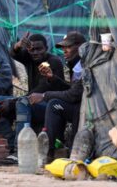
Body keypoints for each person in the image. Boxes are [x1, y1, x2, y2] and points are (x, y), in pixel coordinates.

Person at [29, 31, 86, 161]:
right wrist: (52, 78)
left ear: (81, 47)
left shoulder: (84, 65)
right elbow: (73, 89)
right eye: (63, 48)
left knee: (54, 104)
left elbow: (74, 95)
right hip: (78, 106)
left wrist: (44, 95)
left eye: (68, 47)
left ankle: (47, 151)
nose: (64, 51)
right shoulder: (76, 64)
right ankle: (55, 146)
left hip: (85, 109)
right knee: (55, 104)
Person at [6, 32, 66, 158]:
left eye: (39, 49)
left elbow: (42, 88)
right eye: (32, 49)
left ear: (46, 48)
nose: (35, 52)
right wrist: (18, 45)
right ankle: (10, 144)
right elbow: (13, 53)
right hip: (33, 102)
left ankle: (19, 151)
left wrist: (15, 100)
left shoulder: (53, 62)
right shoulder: (31, 59)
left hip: (50, 106)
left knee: (22, 102)